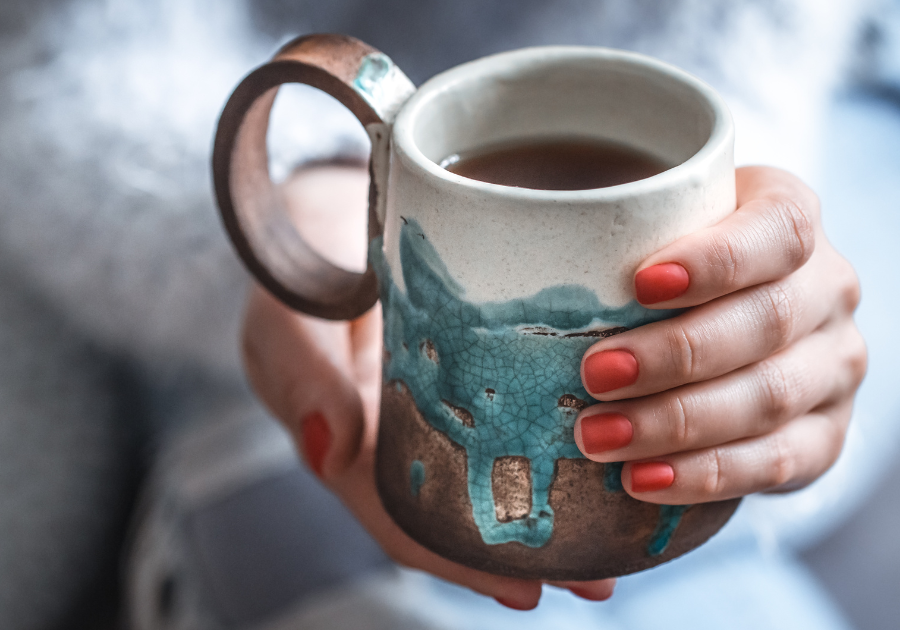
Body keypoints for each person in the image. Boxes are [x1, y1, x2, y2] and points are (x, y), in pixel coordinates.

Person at [0, 0, 890, 628]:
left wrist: (751, 316)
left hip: (838, 99)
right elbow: (70, 62)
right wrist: (309, 209)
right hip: (231, 174)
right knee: (301, 528)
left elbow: (736, 68)